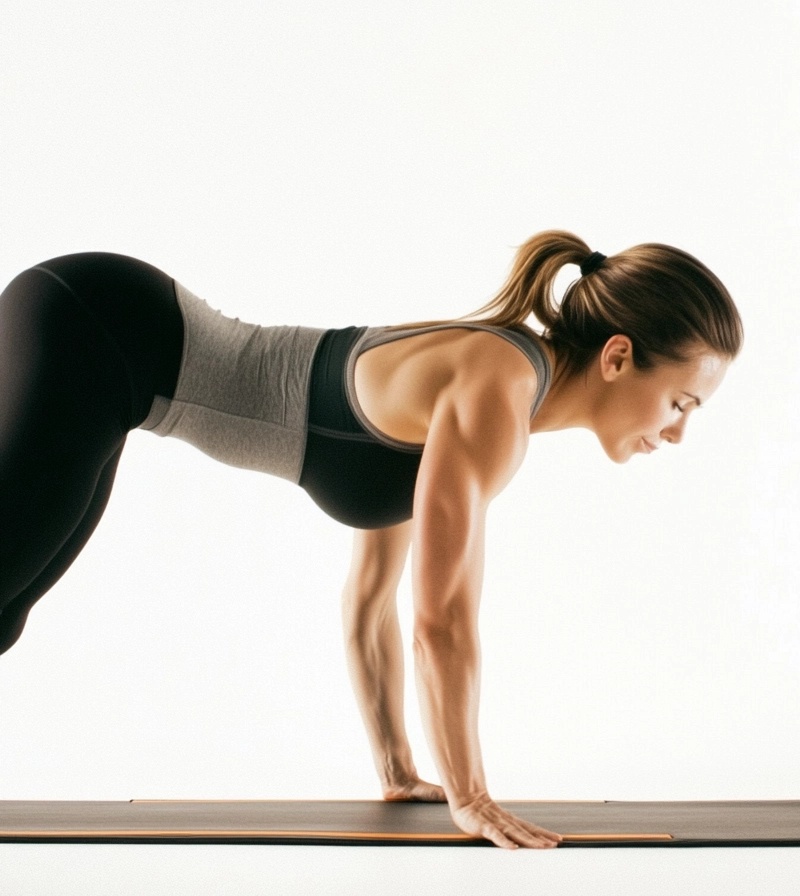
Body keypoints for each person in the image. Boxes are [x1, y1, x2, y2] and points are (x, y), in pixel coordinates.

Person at [0, 230, 743, 849]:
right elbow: (442, 621)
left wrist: (398, 767)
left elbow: (371, 602)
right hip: (95, 324)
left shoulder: (495, 384)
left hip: (109, 348)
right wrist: (471, 795)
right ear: (617, 358)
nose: (677, 432)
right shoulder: (497, 388)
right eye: (681, 402)